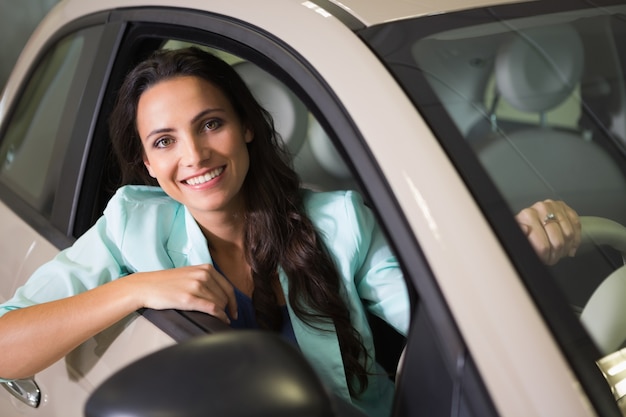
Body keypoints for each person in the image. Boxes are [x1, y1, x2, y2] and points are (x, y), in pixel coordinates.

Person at [0, 47, 581, 417]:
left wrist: (514, 252)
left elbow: (443, 319)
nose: (196, 155)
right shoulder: (132, 222)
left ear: (247, 126)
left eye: (211, 124)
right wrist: (135, 289)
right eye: (164, 141)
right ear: (148, 164)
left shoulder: (340, 220)